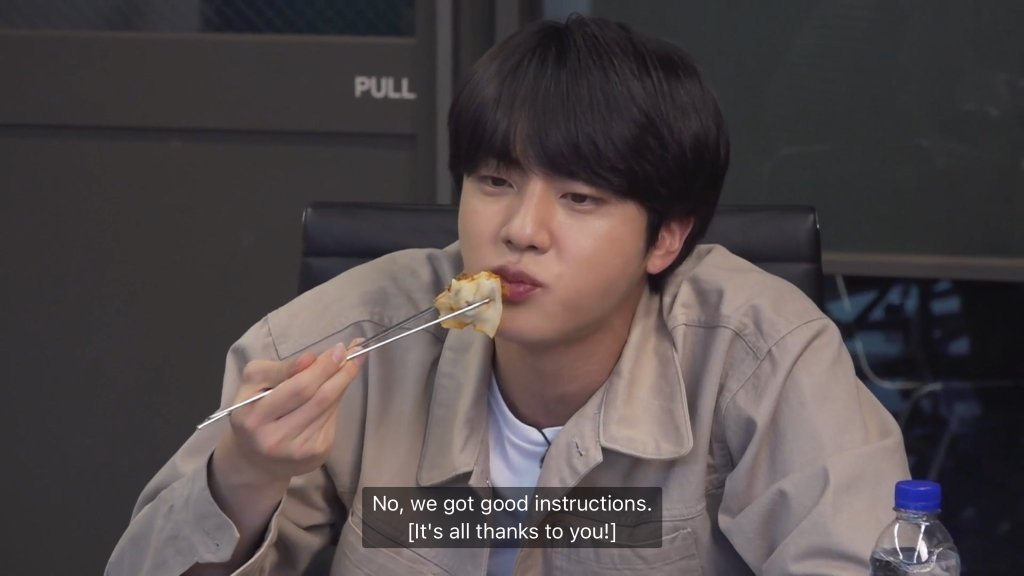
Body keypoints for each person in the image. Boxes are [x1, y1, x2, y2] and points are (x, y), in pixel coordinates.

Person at [107, 15, 910, 575]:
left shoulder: (760, 352)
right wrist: (245, 473)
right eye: (495, 181)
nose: (521, 230)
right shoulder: (342, 335)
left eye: (580, 198)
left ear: (665, 238)